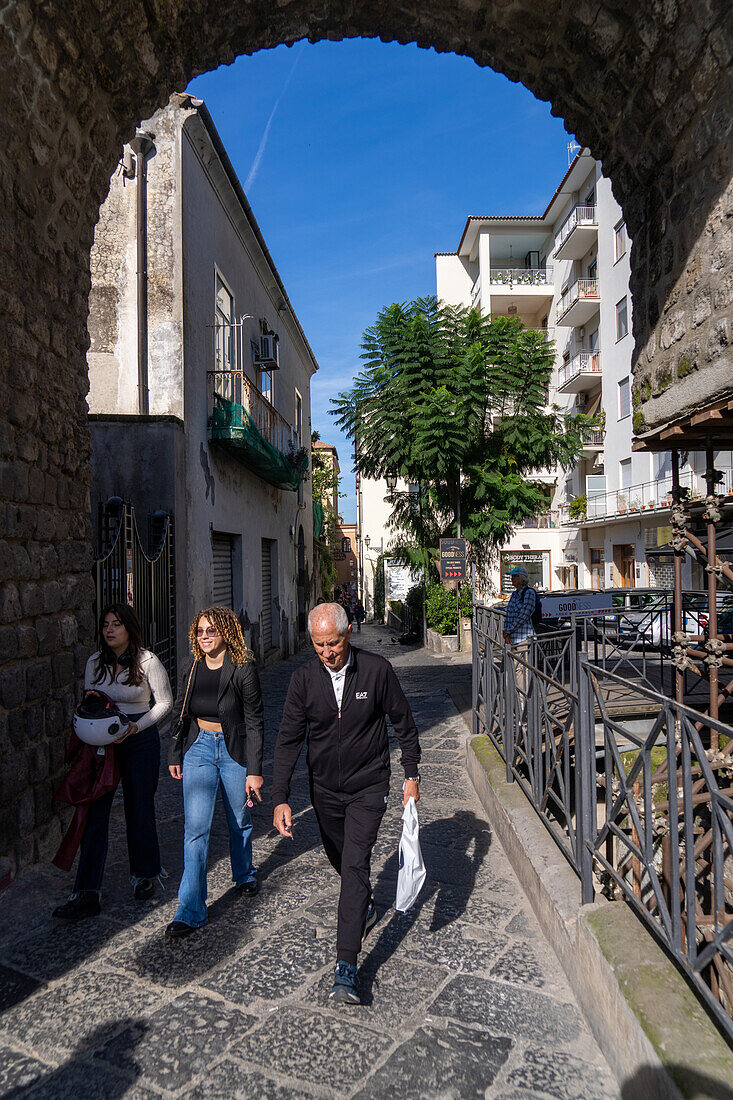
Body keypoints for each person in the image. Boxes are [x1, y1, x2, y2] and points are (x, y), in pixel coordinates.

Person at [271, 602, 421, 1004]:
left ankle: (346, 967)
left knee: (355, 866)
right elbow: (287, 739)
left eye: (333, 643)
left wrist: (411, 774)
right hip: (324, 791)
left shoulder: (375, 671)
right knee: (340, 859)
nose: (327, 652)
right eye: (319, 645)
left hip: (369, 786)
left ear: (349, 633)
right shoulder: (304, 679)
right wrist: (281, 797)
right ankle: (366, 905)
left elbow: (403, 723)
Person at [52, 604, 173, 921]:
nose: (109, 630)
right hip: (102, 743)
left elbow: (165, 702)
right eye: (105, 624)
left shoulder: (148, 661)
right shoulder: (95, 662)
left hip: (139, 739)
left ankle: (144, 875)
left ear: (129, 628)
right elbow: (89, 699)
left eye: (116, 624)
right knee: (95, 814)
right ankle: (86, 892)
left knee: (139, 807)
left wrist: (136, 726)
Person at [166, 605, 264, 938]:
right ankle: (190, 909)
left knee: (240, 819)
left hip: (233, 748)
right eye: (200, 631)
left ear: (225, 632)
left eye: (211, 630)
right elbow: (180, 712)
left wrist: (255, 769)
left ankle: (244, 873)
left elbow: (254, 720)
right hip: (199, 748)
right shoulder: (190, 666)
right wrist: (175, 753)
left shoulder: (242, 668)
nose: (205, 637)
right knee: (195, 829)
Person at [502, 566, 539, 646]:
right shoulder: (514, 594)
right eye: (512, 576)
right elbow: (509, 615)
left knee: (522, 659)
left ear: (522, 578)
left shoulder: (529, 593)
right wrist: (506, 633)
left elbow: (524, 616)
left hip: (523, 639)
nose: (512, 578)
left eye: (515, 576)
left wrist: (508, 631)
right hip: (511, 639)